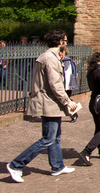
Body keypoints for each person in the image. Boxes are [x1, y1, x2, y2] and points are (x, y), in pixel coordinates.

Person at [6, 30, 78, 182]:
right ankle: (16, 165)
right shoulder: (50, 58)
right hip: (48, 102)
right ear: (60, 42)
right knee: (47, 138)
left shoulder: (50, 56)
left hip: (51, 103)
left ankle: (57, 166)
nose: (66, 42)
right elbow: (55, 84)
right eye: (65, 40)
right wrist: (68, 101)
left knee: (55, 137)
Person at [60, 45, 80, 123]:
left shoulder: (67, 61)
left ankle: (74, 114)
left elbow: (68, 74)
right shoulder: (67, 60)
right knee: (66, 100)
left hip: (66, 85)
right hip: (65, 85)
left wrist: (69, 85)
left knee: (67, 101)